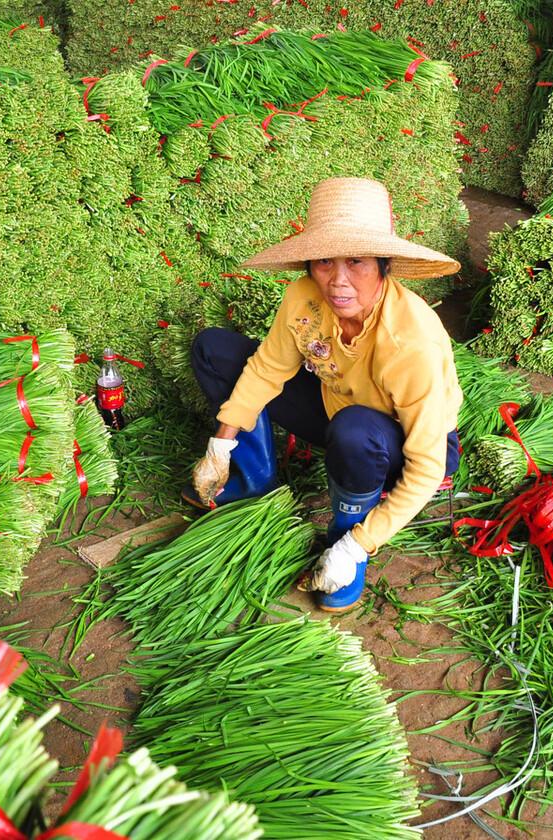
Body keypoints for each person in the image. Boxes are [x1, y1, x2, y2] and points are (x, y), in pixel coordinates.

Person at [183, 177, 463, 612]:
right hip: (337, 408)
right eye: (324, 262)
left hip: (402, 446)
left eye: (356, 262)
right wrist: (221, 443)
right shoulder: (304, 297)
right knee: (215, 349)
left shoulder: (410, 342)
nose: (338, 280)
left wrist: (356, 545)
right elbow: (268, 368)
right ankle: (254, 480)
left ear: (384, 265)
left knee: (357, 432)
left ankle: (343, 540)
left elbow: (426, 468)